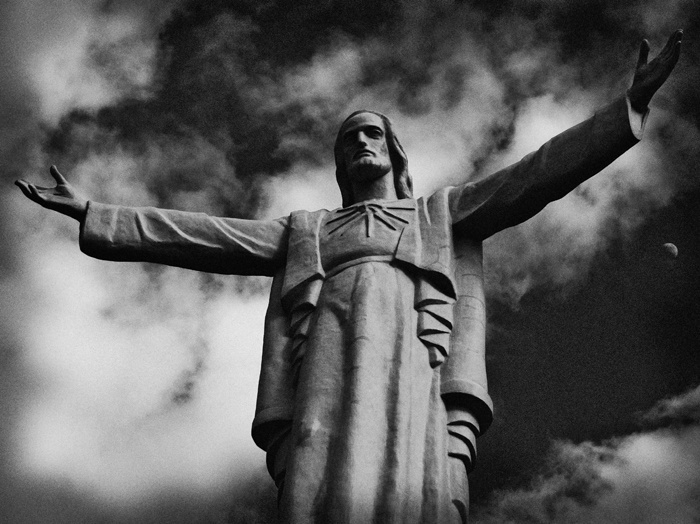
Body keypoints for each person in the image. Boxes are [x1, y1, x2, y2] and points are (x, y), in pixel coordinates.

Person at [15, 31, 682, 524]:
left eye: (370, 136)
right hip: (330, 356)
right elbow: (205, 235)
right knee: (323, 469)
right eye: (348, 141)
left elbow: (534, 176)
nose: (359, 144)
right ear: (339, 165)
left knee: (405, 473)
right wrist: (96, 214)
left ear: (393, 153)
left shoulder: (437, 215)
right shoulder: (308, 231)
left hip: (408, 357)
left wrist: (624, 107)